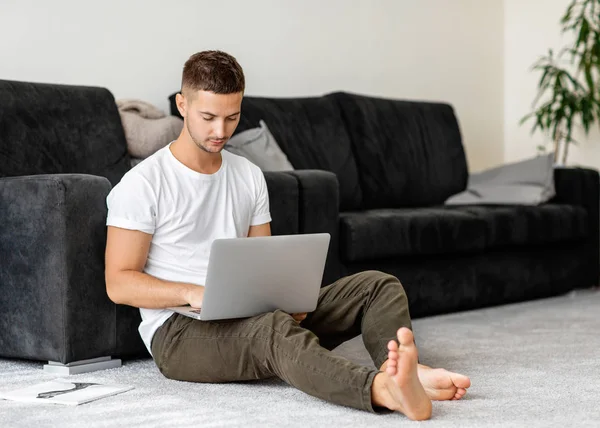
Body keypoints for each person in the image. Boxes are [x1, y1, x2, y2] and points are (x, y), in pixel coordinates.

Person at [104, 50, 471, 420]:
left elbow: (262, 262)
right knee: (272, 330)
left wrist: (285, 296)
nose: (220, 131)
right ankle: (381, 390)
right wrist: (190, 292)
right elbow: (119, 283)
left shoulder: (247, 175)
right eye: (208, 117)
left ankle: (412, 374)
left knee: (377, 285)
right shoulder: (144, 183)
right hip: (179, 334)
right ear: (183, 105)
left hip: (250, 315)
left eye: (232, 117)